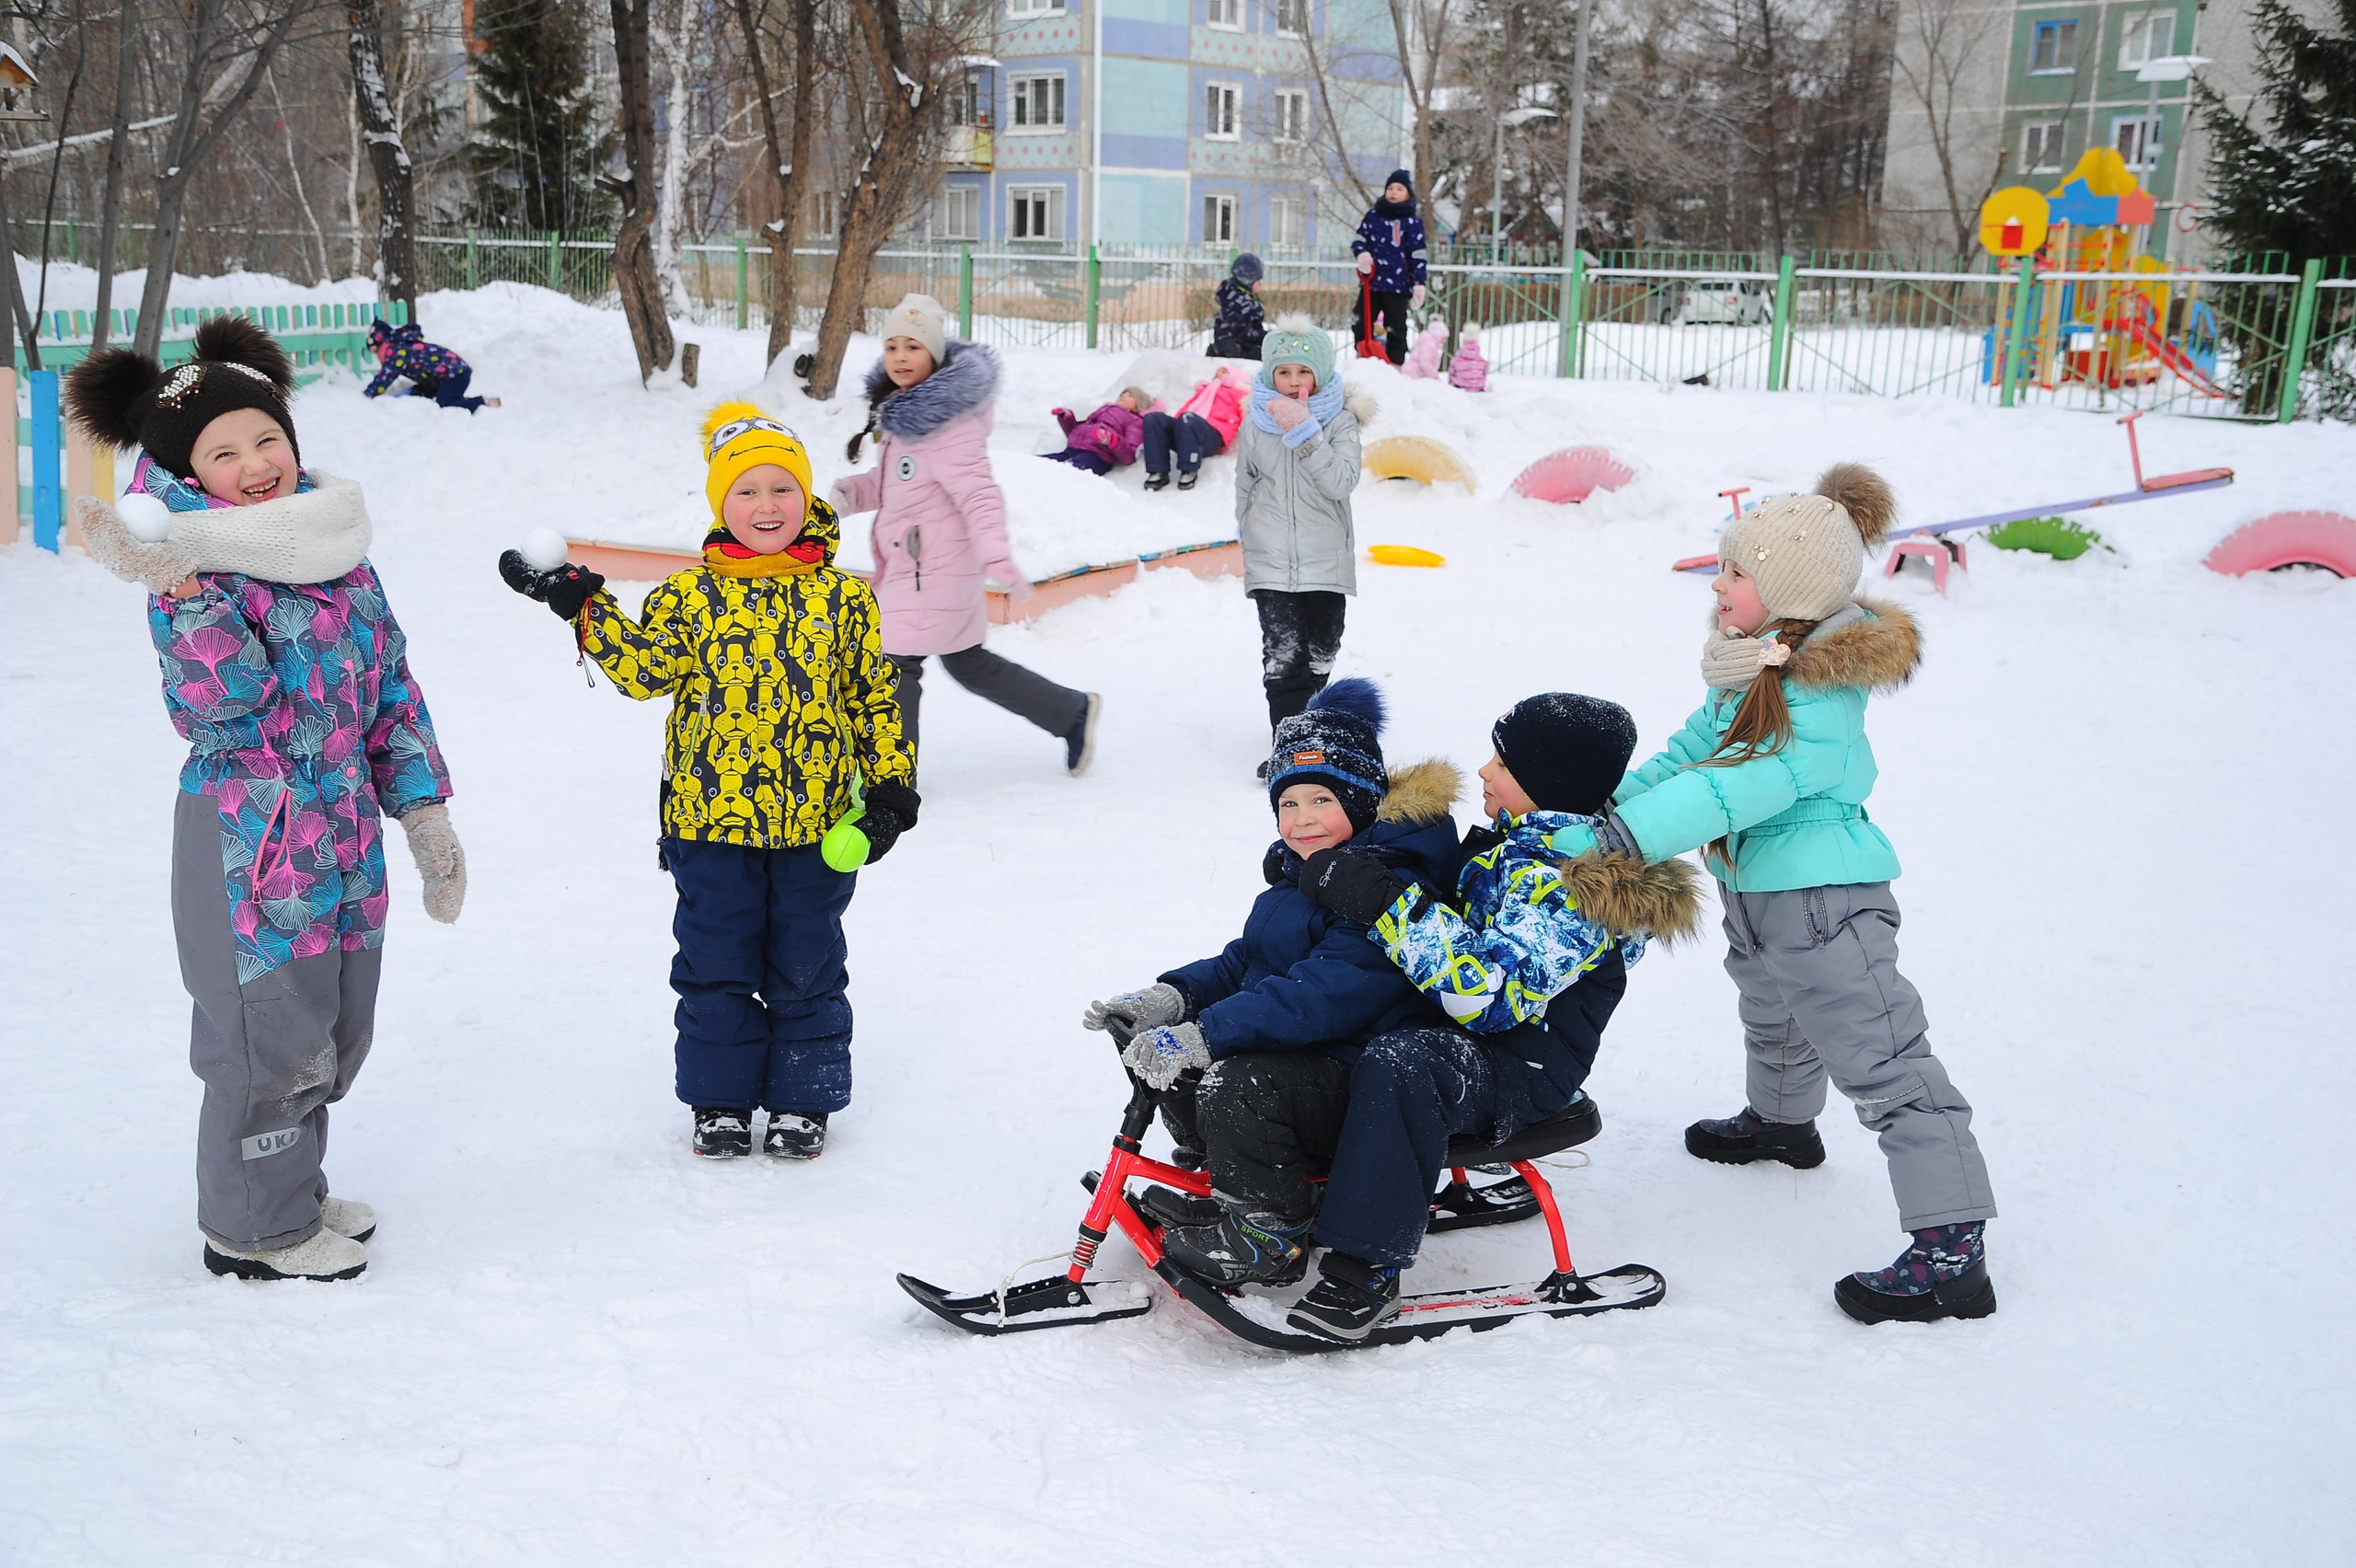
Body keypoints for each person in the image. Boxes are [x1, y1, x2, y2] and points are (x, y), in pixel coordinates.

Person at [1549, 464, 2000, 1324]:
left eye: (1736, 573)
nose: (1717, 585)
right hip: (1760, 887)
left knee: (1881, 1055)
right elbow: (1693, 754)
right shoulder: (1755, 665)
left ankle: (1952, 1247)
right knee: (1775, 1011)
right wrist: (1610, 809)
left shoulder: (1818, 695)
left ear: (1788, 591)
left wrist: (1618, 843)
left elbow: (1738, 786)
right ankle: (1783, 1124)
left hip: (1826, 896)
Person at [65, 317, 464, 1283]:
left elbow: (391, 694)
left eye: (268, 439)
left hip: (341, 844)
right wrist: (187, 591)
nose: (255, 464)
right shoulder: (192, 572)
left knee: (332, 1029)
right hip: (252, 847)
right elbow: (225, 708)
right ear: (189, 474)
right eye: (225, 451)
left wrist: (423, 816)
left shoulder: (337, 555)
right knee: (263, 1042)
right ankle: (253, 1227)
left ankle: (291, 1184)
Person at [498, 403, 917, 1163]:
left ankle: (803, 1097)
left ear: (807, 499)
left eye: (781, 489)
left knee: (808, 964)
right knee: (713, 964)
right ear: (722, 504)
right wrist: (579, 601)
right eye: (747, 492)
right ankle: (720, 1100)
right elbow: (641, 669)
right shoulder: (688, 597)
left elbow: (872, 698)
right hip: (706, 825)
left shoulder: (846, 600)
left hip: (818, 830)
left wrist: (891, 790)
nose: (766, 506)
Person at [1284, 693, 1701, 1341]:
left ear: (1547, 783)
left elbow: (1490, 1000)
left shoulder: (1574, 884)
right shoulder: (1513, 845)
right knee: (1349, 1016)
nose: (1483, 770)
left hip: (1523, 1063)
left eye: (1502, 761)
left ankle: (1365, 1270)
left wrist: (1388, 905)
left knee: (1404, 1065)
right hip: (1468, 1043)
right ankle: (1296, 1189)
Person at [1079, 681, 1460, 1290]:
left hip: (1359, 1073)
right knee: (1182, 1065)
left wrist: (1207, 1033)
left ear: (1362, 804)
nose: (1302, 819)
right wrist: (1173, 999)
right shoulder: (1308, 876)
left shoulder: (1382, 887)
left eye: (1321, 800)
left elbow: (1323, 991)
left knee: (1239, 1084)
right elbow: (1247, 962)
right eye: (1288, 804)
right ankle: (1234, 1188)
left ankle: (1270, 1235)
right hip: (1313, 1056)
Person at [830, 294, 1102, 776]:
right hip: (922, 568)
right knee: (966, 663)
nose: (899, 356)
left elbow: (979, 493)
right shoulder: (906, 417)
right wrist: (847, 496)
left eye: (911, 347)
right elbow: (900, 486)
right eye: (891, 346)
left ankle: (890, 779)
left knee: (896, 665)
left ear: (933, 355)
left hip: (931, 572)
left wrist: (996, 552)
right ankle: (1070, 712)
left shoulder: (945, 426)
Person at [1235, 315, 1372, 739]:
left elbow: (1340, 482)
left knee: (1322, 650)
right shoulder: (1255, 422)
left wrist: (1306, 432)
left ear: (1322, 373)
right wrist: (1249, 535)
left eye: (1303, 372)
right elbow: (1245, 484)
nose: (1293, 381)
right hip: (1271, 558)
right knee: (1283, 656)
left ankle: (1310, 721)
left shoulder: (1340, 422)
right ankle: (1291, 743)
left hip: (1324, 559)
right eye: (1283, 372)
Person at [1351, 171, 1428, 365]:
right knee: (1361, 320)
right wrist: (1362, 254)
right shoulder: (1374, 216)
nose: (1393, 192)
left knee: (1396, 325)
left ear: (1408, 194)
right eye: (1390, 188)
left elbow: (1418, 254)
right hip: (1372, 283)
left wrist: (1419, 283)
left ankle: (1395, 364)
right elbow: (1359, 239)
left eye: (1399, 189)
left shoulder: (1412, 223)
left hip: (1399, 285)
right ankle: (1363, 354)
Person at [1138, 364, 1246, 492]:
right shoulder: (1204, 391)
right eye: (1216, 371)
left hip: (1212, 434)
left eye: (1224, 371)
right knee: (1153, 419)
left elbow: (1248, 415)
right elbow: (1186, 409)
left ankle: (1188, 469)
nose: (1218, 374)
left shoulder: (1240, 394)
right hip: (1185, 426)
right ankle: (1157, 470)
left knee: (1188, 419)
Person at [362, 319, 497, 412]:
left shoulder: (396, 352)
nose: (377, 356)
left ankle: (482, 402)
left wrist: (367, 395)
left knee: (445, 404)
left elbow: (385, 377)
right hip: (441, 377)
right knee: (420, 393)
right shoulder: (401, 347)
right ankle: (458, 400)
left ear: (382, 344)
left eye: (375, 350)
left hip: (455, 375)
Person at [1043, 388, 1151, 476]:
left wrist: (1112, 440)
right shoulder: (1104, 409)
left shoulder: (1135, 421)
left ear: (1139, 404)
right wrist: (1066, 418)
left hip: (1098, 455)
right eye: (1123, 394)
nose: (1123, 396)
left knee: (1072, 471)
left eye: (1130, 395)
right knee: (1043, 463)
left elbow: (1130, 455)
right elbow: (1076, 431)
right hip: (1072, 449)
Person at [1208, 252, 1267, 359]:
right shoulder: (1239, 302)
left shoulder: (1241, 297)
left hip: (1238, 345)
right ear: (1247, 279)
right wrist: (1264, 337)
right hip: (1233, 349)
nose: (1260, 284)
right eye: (1258, 280)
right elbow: (1243, 332)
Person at [1447, 322, 1489, 392]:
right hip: (1478, 387)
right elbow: (1484, 373)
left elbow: (1451, 374)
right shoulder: (1482, 361)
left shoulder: (1456, 360)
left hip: (1460, 386)